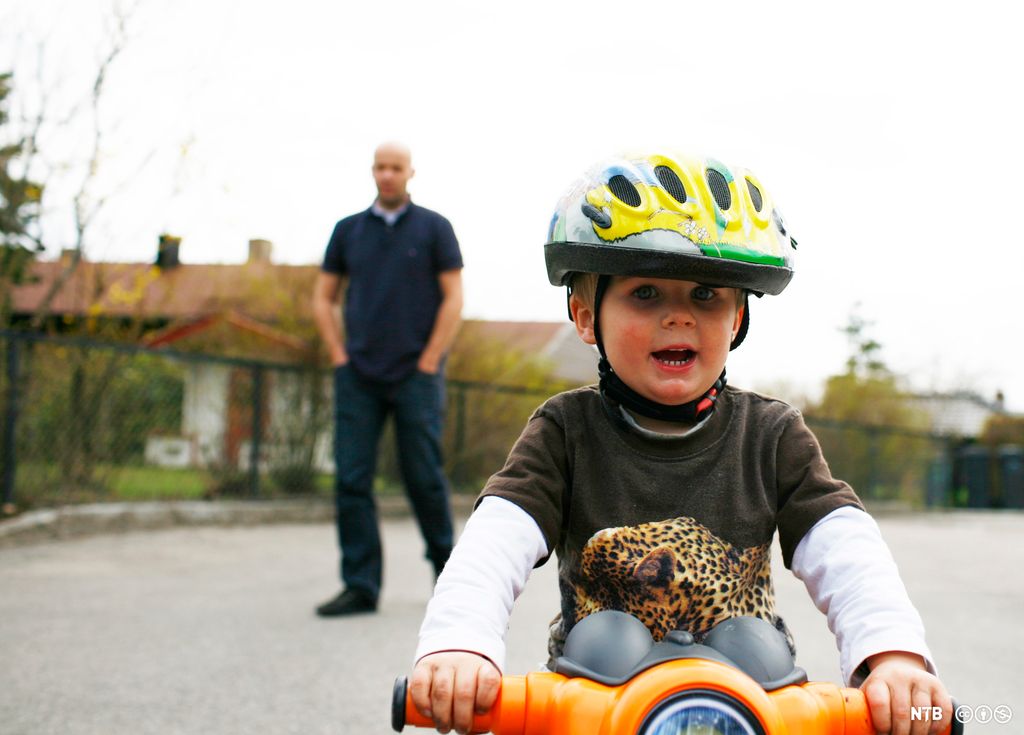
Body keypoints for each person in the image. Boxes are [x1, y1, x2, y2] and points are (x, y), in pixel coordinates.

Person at [408, 152, 952, 735]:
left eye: (706, 295)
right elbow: (497, 539)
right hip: (598, 701)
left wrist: (892, 654)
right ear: (586, 316)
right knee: (603, 641)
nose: (679, 317)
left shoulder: (772, 435)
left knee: (757, 648)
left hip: (744, 698)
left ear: (737, 318)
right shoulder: (565, 431)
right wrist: (460, 643)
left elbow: (844, 547)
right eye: (646, 293)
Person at [312, 142, 463, 617]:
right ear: (372, 171)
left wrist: (430, 359)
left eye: (396, 167)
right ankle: (360, 586)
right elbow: (323, 297)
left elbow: (454, 297)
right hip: (358, 374)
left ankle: (452, 582)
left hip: (417, 374)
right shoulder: (348, 231)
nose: (388, 174)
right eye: (381, 167)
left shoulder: (434, 228)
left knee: (424, 477)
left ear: (410, 172)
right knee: (351, 479)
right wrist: (338, 354)